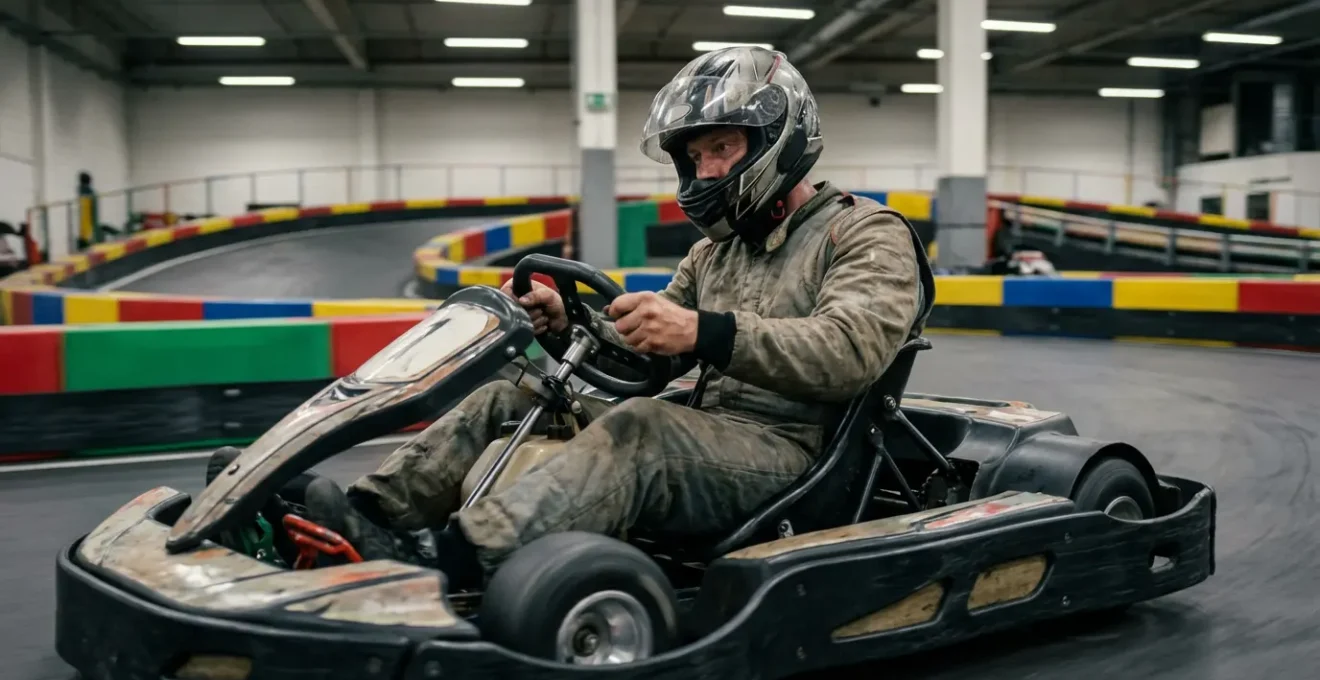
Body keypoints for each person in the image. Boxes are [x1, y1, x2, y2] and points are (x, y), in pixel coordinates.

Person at [208, 46, 934, 589]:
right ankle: (367, 517)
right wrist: (568, 326)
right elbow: (643, 359)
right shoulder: (716, 254)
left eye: (724, 149)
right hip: (712, 438)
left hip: (794, 455)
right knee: (518, 392)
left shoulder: (863, 233)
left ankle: (457, 559)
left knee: (643, 429)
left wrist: (704, 333)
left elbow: (850, 352)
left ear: (777, 140)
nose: (707, 170)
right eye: (697, 155)